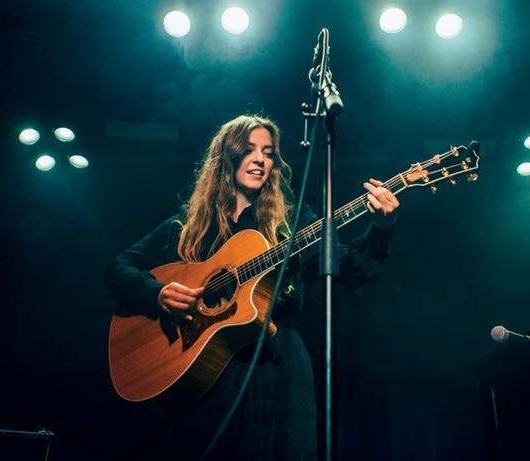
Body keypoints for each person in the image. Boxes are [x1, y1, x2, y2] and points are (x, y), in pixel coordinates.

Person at [104, 114, 400, 460]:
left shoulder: (293, 222)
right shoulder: (189, 225)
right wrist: (157, 294)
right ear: (226, 157)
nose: (260, 159)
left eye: (269, 153)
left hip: (279, 369)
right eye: (248, 150)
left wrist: (382, 227)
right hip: (207, 375)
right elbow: (117, 270)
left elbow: (350, 270)